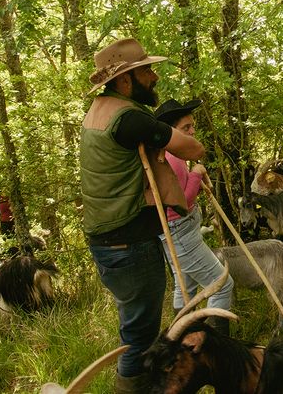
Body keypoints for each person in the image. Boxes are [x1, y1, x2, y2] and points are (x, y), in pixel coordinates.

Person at [80, 38, 205, 393]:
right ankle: (133, 388)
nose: (154, 77)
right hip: (128, 243)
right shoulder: (128, 118)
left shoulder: (98, 109)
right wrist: (193, 150)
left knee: (134, 324)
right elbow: (191, 147)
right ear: (123, 80)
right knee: (141, 334)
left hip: (108, 239)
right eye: (146, 70)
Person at [153, 98, 234, 329]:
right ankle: (216, 345)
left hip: (173, 232)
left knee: (185, 288)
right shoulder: (173, 158)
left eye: (192, 126)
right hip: (180, 232)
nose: (192, 131)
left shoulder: (165, 154)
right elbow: (182, 201)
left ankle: (183, 340)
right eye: (185, 128)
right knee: (222, 284)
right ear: (171, 132)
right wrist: (197, 173)